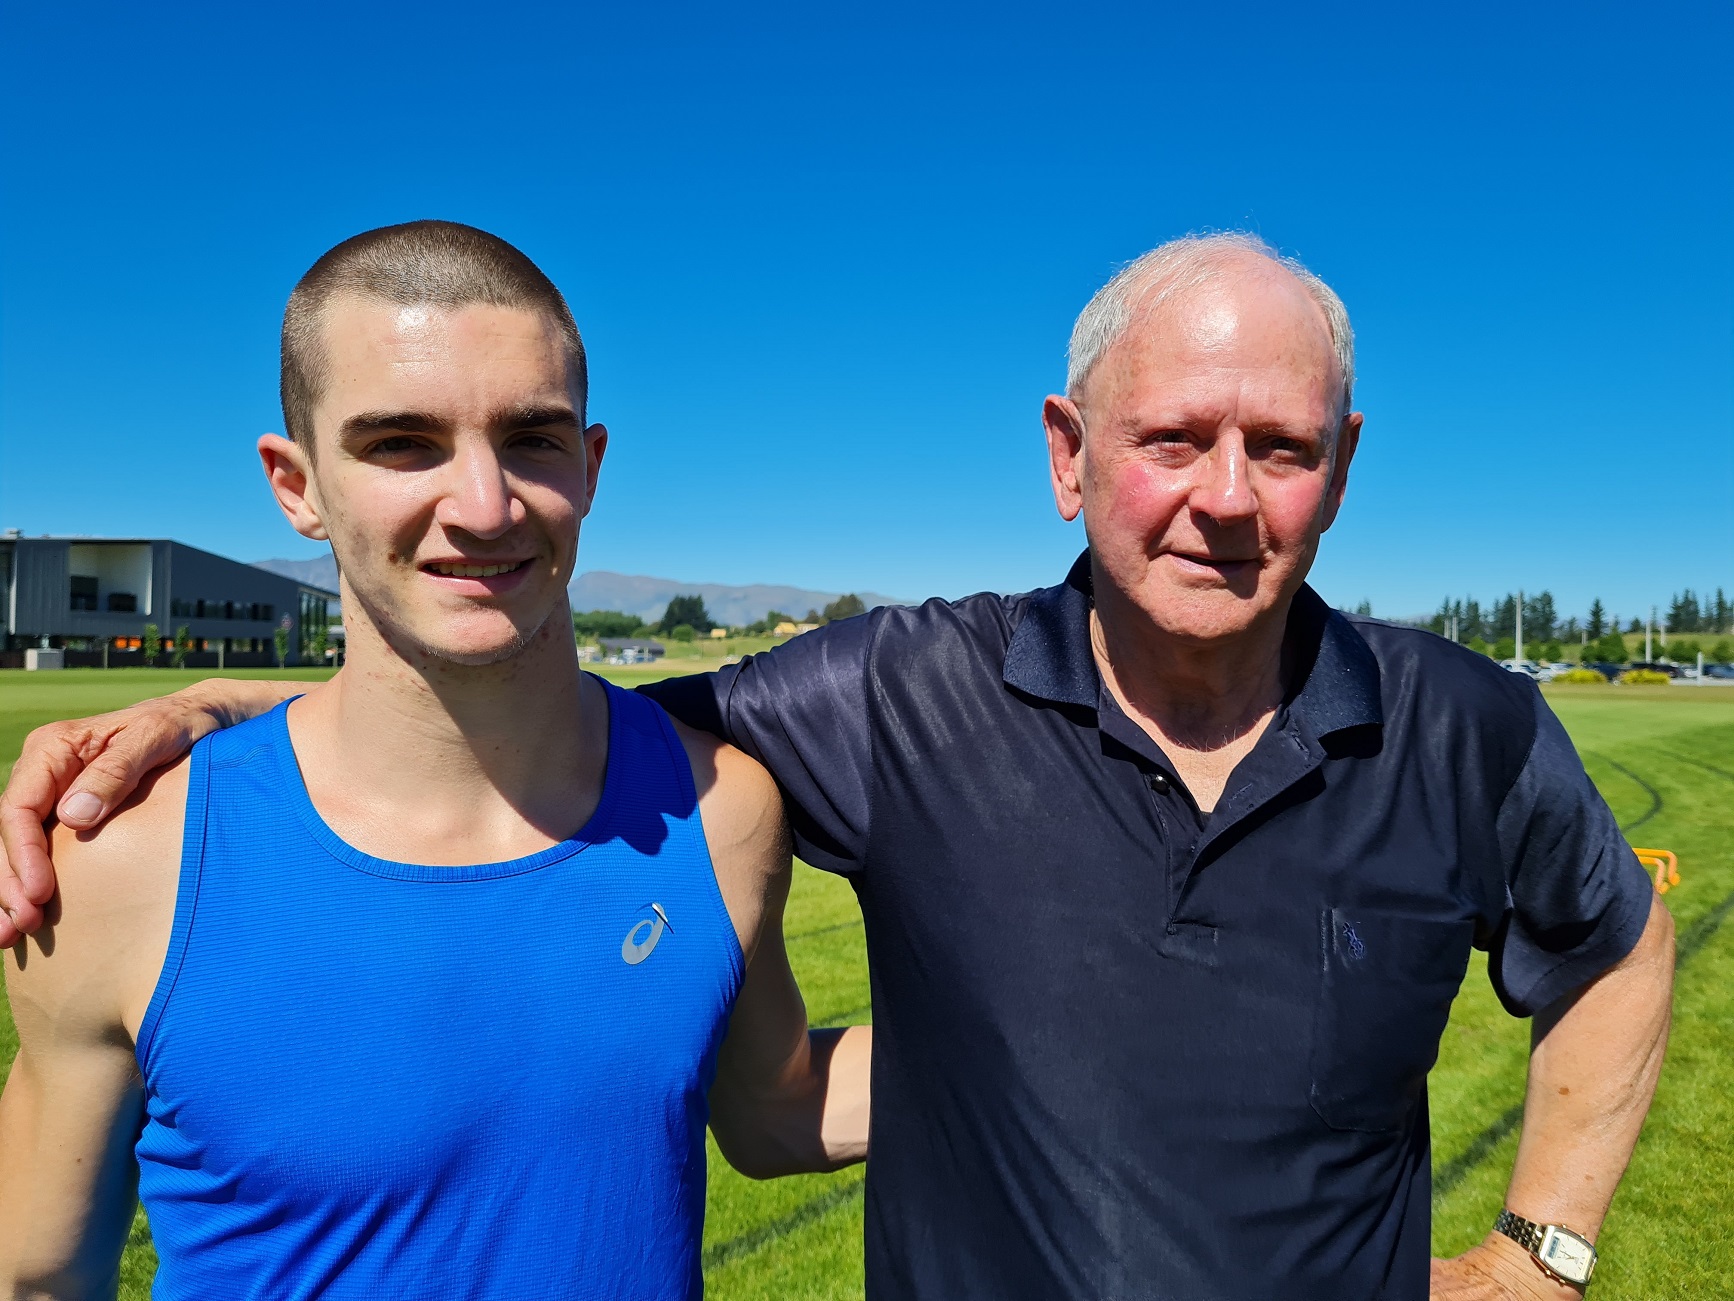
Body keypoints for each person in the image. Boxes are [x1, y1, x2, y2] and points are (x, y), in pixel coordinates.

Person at [2, 233, 1671, 1300]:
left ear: (1341, 466)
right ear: (1065, 456)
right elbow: (506, 687)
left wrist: (1539, 1255)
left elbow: (1612, 947)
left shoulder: (1464, 726)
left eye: (1280, 446)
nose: (1224, 495)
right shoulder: (897, 690)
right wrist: (225, 713)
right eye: (1167, 437)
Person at [0, 221, 868, 1299]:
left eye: (533, 438)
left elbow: (777, 1107)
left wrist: (1104, 1031)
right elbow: (39, 1278)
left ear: (590, 467)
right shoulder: (120, 864)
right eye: (402, 442)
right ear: (296, 483)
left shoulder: (723, 809)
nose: (485, 504)